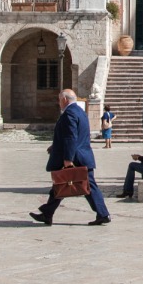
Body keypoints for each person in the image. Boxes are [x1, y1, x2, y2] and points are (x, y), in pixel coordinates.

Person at [30, 89, 110, 226]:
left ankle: (103, 214)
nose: (59, 103)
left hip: (75, 157)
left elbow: (70, 137)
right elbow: (75, 135)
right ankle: (47, 214)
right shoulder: (80, 112)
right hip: (83, 154)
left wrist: (68, 158)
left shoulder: (69, 113)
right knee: (61, 184)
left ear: (65, 100)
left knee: (77, 184)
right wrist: (55, 146)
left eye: (59, 99)